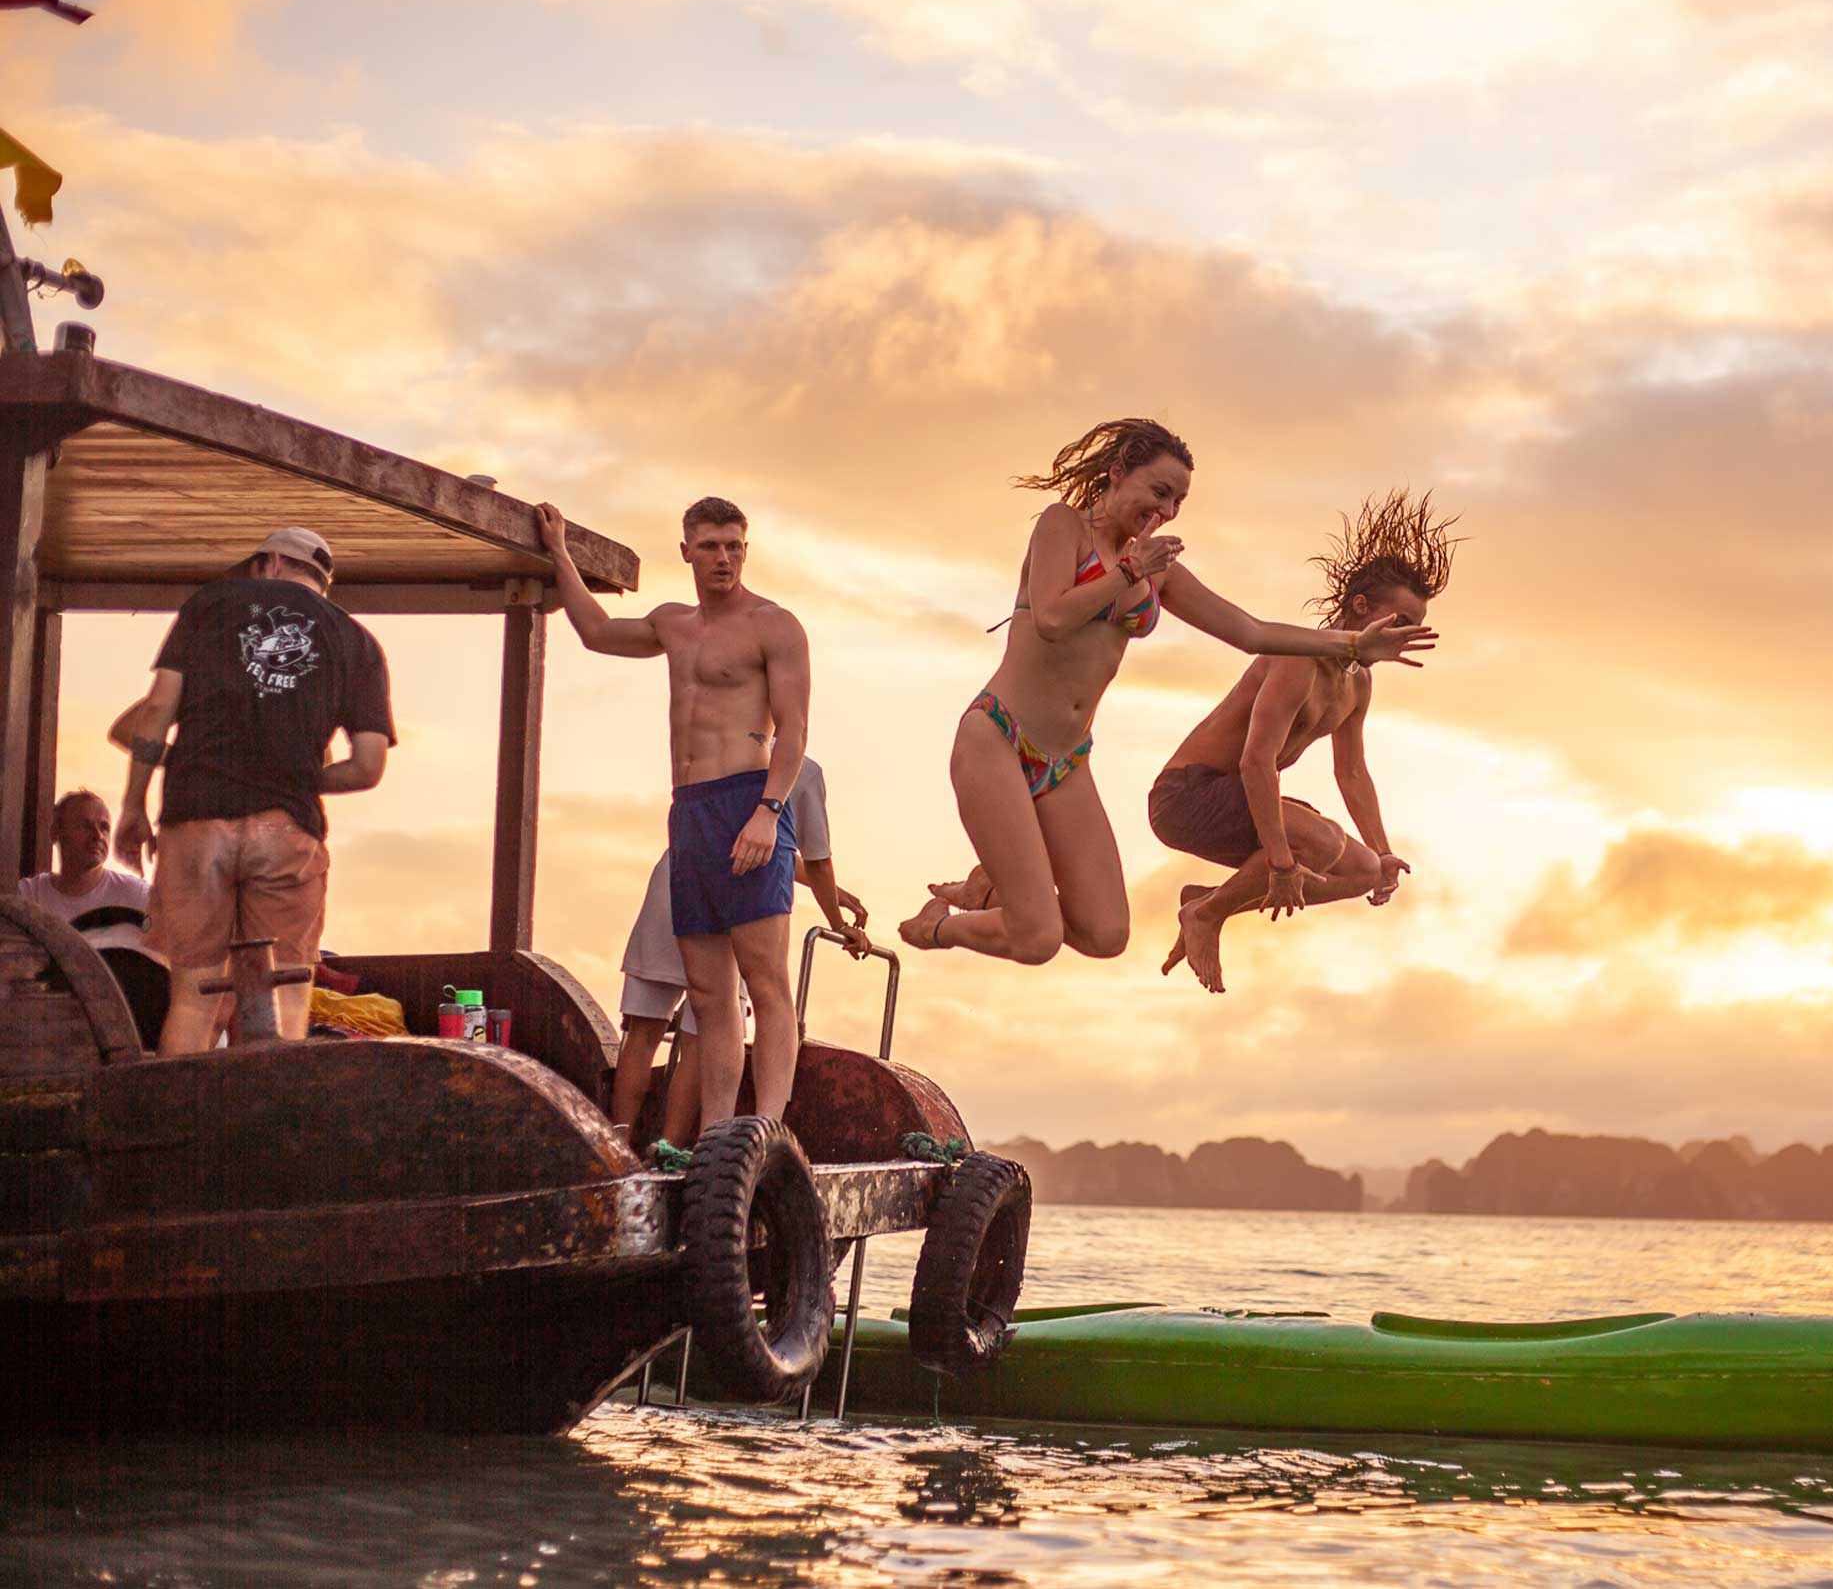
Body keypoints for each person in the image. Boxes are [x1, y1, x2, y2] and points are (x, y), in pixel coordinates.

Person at [901, 418, 1437, 965]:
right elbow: (1053, 619)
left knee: (1106, 935)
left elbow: (1249, 631)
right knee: (1037, 939)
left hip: (1066, 761)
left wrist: (1352, 644)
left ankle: (989, 891)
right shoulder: (1064, 527)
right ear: (1116, 474)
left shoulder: (1159, 571)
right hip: (998, 736)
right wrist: (1130, 569)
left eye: (1179, 500)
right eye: (1160, 492)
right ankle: (941, 926)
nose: (1168, 510)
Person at [537, 495, 811, 1136]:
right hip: (689, 814)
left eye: (735, 546)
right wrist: (558, 555)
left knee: (765, 981)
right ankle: (719, 1131)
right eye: (711, 546)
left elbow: (794, 731)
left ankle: (767, 1125)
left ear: (747, 550)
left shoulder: (775, 625)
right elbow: (597, 633)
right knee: (710, 991)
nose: (724, 558)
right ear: (686, 549)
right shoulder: (672, 624)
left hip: (748, 802)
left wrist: (769, 812)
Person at [1151, 491, 1456, 992]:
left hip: (1244, 799)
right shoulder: (1298, 661)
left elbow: (1352, 772)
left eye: (1413, 630)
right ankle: (1208, 915)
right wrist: (1281, 862)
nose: (1403, 638)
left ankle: (1208, 900)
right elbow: (1255, 763)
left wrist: (1383, 853)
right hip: (1185, 797)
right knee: (1320, 840)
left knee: (1360, 872)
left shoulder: (1357, 682)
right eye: (1399, 624)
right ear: (1361, 609)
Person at [105, 526, 395, 1051]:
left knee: (194, 998)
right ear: (320, 580)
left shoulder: (212, 603)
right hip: (285, 829)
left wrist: (133, 805)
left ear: (271, 562)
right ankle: (276, 1126)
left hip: (196, 820)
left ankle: (180, 1125)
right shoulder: (356, 640)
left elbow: (152, 713)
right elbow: (367, 767)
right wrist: (294, 777)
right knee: (285, 996)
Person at [610, 753, 869, 1146]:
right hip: (742, 897)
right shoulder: (805, 770)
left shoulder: (718, 756)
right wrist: (837, 922)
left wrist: (832, 893)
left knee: (643, 1031)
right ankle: (673, 1150)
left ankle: (617, 1147)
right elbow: (815, 861)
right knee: (705, 1035)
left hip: (677, 878)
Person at [18, 788, 169, 1043]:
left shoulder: (138, 896)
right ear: (56, 833)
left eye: (104, 827)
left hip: (123, 1032)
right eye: (85, 826)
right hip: (52, 1030)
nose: (97, 835)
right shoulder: (29, 896)